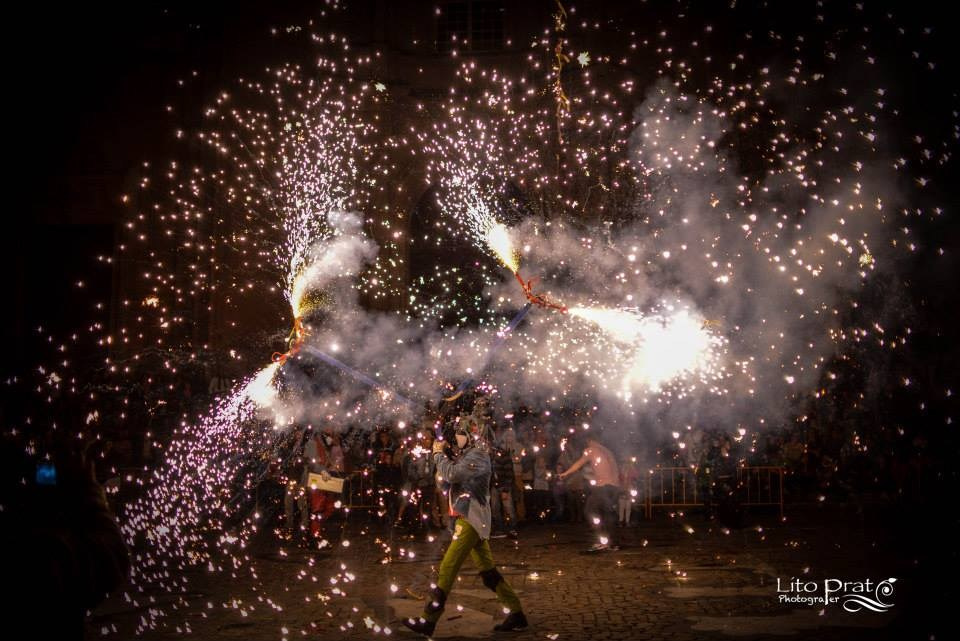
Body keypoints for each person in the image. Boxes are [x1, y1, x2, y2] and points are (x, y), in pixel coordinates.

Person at [403, 421, 528, 636]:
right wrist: (443, 461)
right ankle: (517, 613)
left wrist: (438, 455)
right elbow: (446, 484)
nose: (456, 438)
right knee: (488, 573)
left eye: (461, 434)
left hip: (472, 518)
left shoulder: (478, 455)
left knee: (447, 568)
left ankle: (428, 620)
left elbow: (451, 475)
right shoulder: (467, 455)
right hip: (467, 517)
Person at [558, 433, 620, 551]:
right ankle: (612, 542)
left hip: (603, 487)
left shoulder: (591, 450)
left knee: (590, 511)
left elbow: (579, 463)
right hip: (614, 487)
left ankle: (602, 541)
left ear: (589, 440)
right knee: (607, 514)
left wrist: (565, 473)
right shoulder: (607, 451)